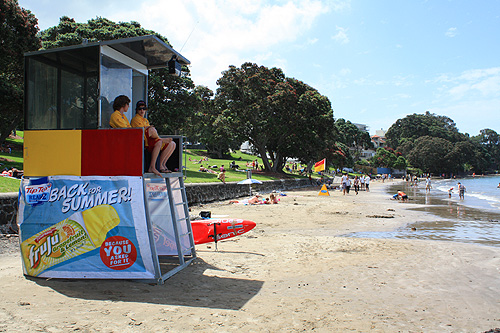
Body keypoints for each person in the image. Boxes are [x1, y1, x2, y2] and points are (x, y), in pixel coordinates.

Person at [129, 100, 176, 176]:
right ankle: (152, 166)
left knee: (172, 144)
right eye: (140, 109)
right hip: (143, 142)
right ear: (137, 110)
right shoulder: (135, 119)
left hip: (151, 140)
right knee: (156, 136)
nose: (142, 110)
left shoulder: (145, 120)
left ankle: (162, 165)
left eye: (144, 109)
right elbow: (142, 133)